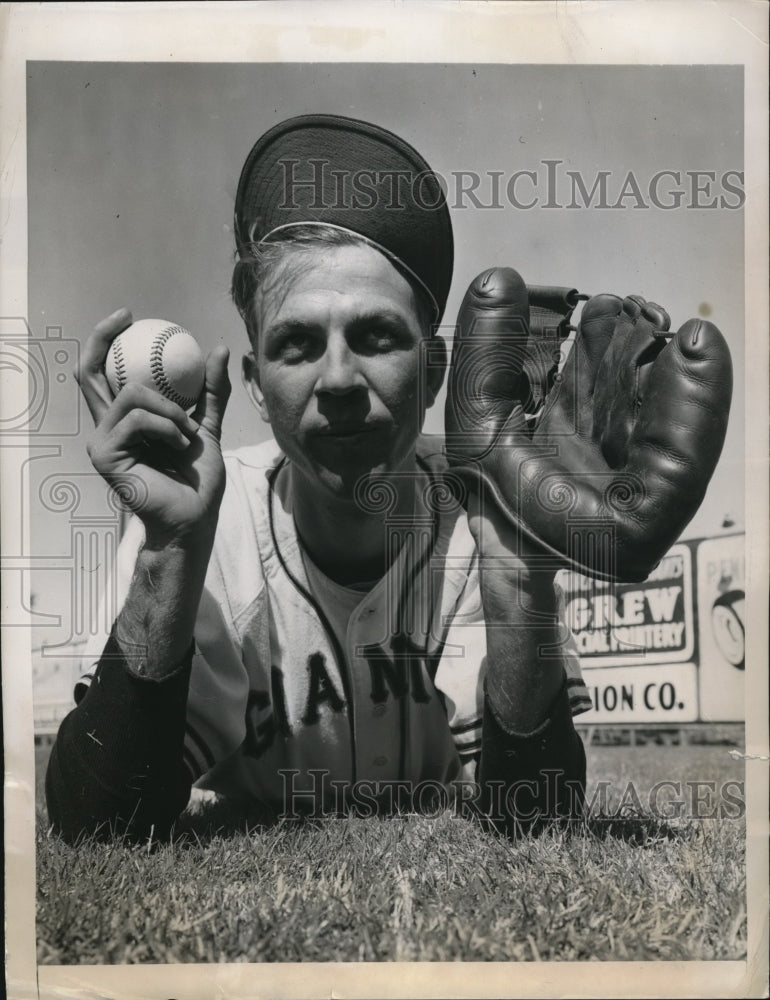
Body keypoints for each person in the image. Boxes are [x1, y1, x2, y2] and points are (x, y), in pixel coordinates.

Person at [45, 115, 729, 843]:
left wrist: (517, 575)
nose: (338, 379)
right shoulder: (203, 515)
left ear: (435, 374)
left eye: (375, 336)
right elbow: (99, 825)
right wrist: (169, 552)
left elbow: (538, 820)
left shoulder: (488, 508)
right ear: (255, 384)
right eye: (298, 343)